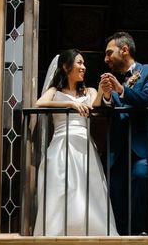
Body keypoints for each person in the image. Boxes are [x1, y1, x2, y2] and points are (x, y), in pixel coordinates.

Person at [33, 49, 118, 236]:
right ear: (65, 66)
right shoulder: (54, 91)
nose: (83, 67)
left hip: (84, 146)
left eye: (83, 63)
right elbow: (40, 104)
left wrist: (104, 91)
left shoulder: (89, 91)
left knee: (87, 191)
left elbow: (96, 105)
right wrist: (70, 104)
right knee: (62, 189)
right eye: (79, 63)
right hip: (61, 144)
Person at [99, 32, 148, 235]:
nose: (105, 59)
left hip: (143, 147)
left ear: (124, 50)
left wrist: (122, 90)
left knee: (141, 175)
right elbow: (107, 112)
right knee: (116, 196)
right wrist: (108, 96)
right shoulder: (116, 83)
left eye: (109, 53)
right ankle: (122, 236)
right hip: (117, 152)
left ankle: (137, 232)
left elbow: (146, 98)